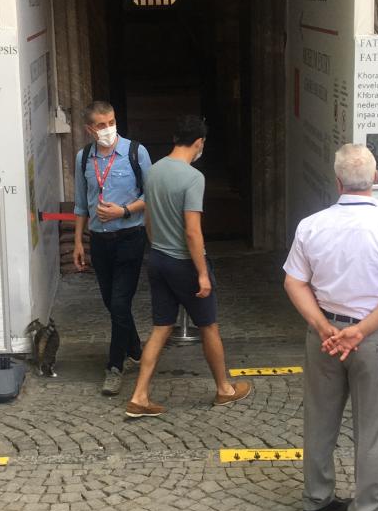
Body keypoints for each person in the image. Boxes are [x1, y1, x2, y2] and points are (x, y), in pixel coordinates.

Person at [283, 143, 378, 511]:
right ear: (375, 178)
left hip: (324, 336)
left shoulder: (311, 225)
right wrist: (360, 331)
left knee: (319, 421)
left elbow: (294, 282)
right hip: (373, 338)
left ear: (338, 180)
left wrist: (322, 325)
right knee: (371, 430)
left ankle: (316, 498)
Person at [125, 115, 251, 417]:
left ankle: (139, 396)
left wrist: (157, 246)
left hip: (158, 258)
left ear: (174, 139)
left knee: (160, 328)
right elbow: (193, 231)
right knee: (209, 326)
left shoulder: (154, 171)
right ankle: (224, 389)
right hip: (184, 263)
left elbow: (149, 218)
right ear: (199, 143)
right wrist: (202, 273)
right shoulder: (193, 178)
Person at [72, 101, 154, 396]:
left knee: (120, 303)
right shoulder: (84, 158)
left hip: (130, 237)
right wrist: (78, 241)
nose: (108, 129)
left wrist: (124, 210)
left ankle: (114, 366)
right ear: (89, 129)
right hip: (99, 240)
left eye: (111, 122)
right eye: (101, 125)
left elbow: (151, 194)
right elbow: (81, 203)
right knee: (111, 302)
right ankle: (135, 349)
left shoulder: (136, 152)